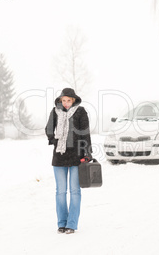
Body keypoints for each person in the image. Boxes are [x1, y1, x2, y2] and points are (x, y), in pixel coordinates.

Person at [45, 88, 92, 234]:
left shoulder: (80, 111)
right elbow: (48, 129)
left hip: (77, 157)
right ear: (60, 101)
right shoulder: (55, 112)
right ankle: (62, 223)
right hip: (59, 156)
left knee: (75, 191)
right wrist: (55, 140)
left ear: (73, 100)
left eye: (68, 100)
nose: (66, 103)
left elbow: (85, 133)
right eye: (63, 100)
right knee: (60, 191)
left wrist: (87, 153)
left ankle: (71, 224)